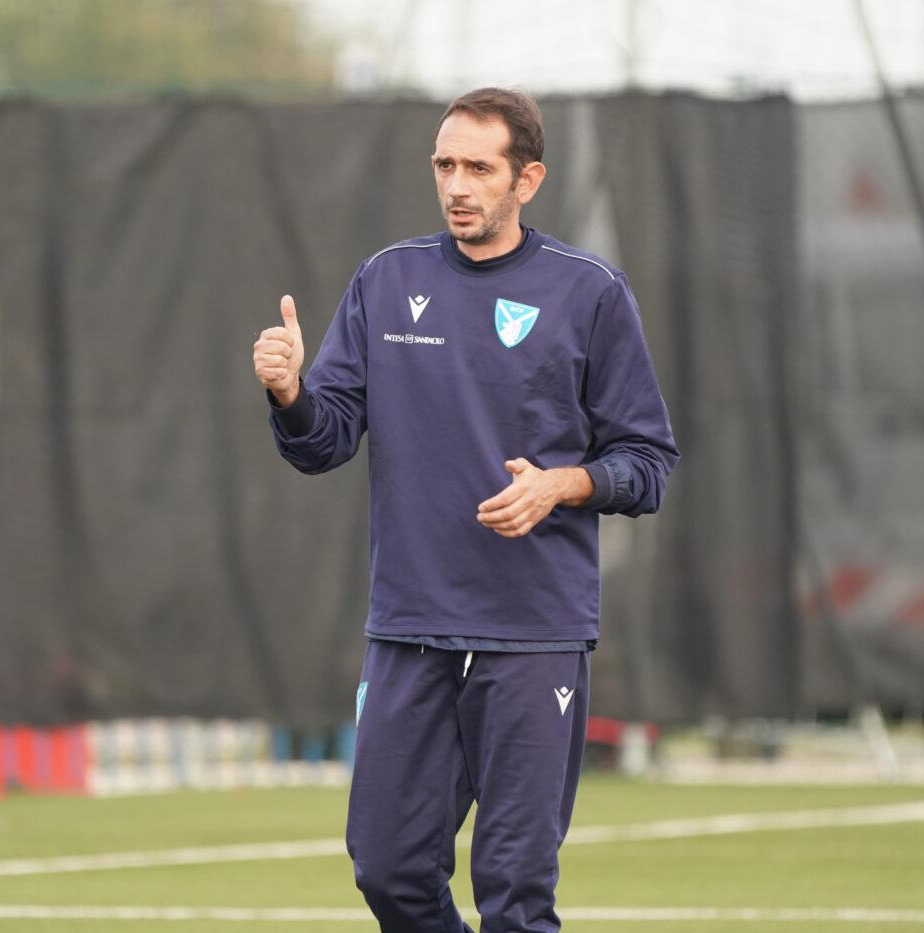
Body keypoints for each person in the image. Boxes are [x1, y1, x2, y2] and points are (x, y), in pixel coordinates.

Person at [252, 87, 678, 933]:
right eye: (444, 164)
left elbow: (648, 463)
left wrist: (561, 483)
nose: (456, 185)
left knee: (515, 891)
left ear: (528, 179)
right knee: (387, 867)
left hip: (533, 634)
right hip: (410, 628)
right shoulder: (387, 279)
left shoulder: (589, 292)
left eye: (479, 167)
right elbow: (323, 442)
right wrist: (291, 392)